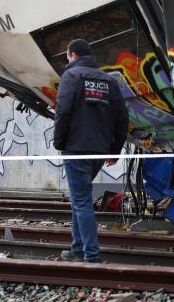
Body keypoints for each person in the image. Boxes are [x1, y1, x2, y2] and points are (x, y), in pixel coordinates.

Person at [53, 39, 128, 263]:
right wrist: (115, 149)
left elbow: (63, 111)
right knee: (80, 199)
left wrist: (59, 142)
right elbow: (122, 118)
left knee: (82, 202)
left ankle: (91, 255)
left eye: (67, 57)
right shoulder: (109, 81)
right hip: (99, 150)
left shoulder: (71, 76)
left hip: (76, 149)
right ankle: (77, 248)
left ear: (73, 55)